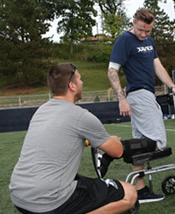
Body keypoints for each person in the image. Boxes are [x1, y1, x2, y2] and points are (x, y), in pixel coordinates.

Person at [9, 63, 137, 214]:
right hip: (48, 201)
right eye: (80, 79)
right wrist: (112, 139)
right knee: (129, 193)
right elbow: (117, 152)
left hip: (19, 195)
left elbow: (60, 140)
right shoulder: (81, 115)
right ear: (72, 86)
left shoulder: (41, 110)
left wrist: (91, 140)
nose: (82, 82)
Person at [108, 7, 175, 203]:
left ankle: (140, 191)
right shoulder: (124, 39)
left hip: (146, 94)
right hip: (138, 95)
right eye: (141, 29)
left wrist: (173, 86)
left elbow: (157, 66)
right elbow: (112, 71)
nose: (143, 34)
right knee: (159, 143)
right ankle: (109, 150)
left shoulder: (149, 42)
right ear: (133, 22)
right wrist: (121, 98)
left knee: (140, 145)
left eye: (147, 31)